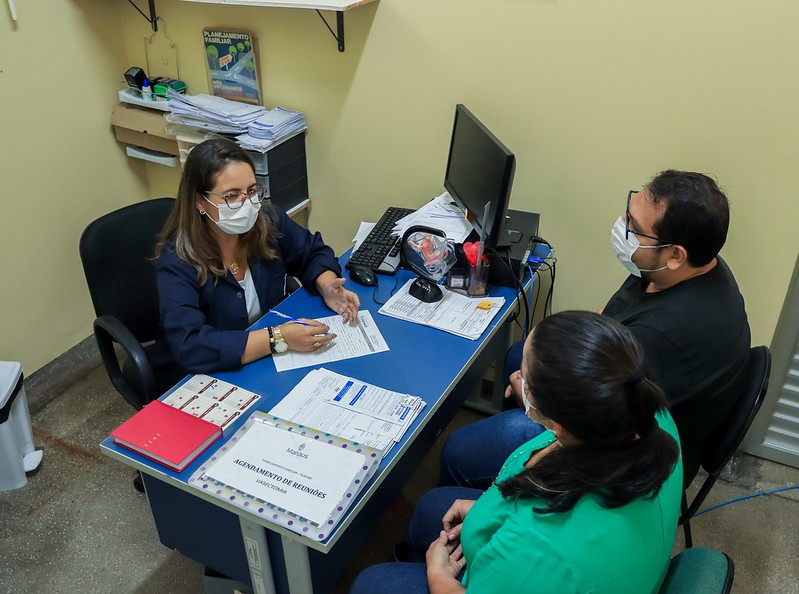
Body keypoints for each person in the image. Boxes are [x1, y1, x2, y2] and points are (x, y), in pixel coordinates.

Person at [440, 170, 750, 489]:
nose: (622, 227)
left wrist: (532, 401)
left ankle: (498, 500)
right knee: (518, 356)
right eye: (628, 214)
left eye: (634, 227)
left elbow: (596, 423)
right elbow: (610, 315)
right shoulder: (678, 267)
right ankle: (509, 473)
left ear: (675, 255)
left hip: (623, 455)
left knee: (459, 453)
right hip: (613, 401)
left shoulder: (664, 335)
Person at [350, 311, 683, 594]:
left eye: (525, 374)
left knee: (371, 583)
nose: (518, 377)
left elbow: (536, 549)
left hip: (537, 567)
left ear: (558, 423)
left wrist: (438, 577)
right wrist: (491, 510)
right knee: (429, 509)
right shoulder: (644, 413)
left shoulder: (539, 550)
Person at [153, 138, 360, 375]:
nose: (247, 204)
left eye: (251, 191)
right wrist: (278, 338)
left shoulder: (268, 222)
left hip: (268, 358)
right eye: (231, 196)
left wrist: (326, 285)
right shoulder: (177, 261)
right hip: (215, 370)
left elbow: (311, 251)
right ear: (200, 201)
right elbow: (191, 346)